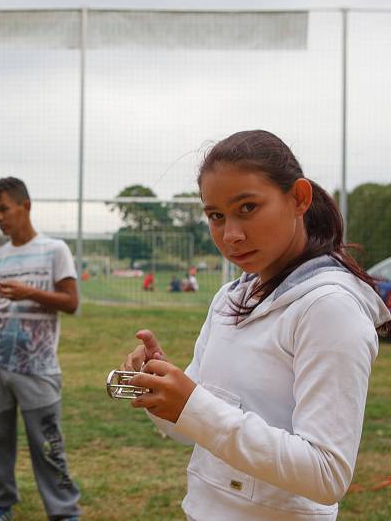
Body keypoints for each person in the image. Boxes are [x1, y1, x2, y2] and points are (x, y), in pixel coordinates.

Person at [120, 130, 391, 520]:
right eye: (216, 216)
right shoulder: (232, 298)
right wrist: (162, 391)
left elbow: (327, 474)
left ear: (298, 198)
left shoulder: (331, 309)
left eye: (247, 207)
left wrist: (193, 405)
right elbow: (190, 428)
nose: (231, 235)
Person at [0, 177, 81, 521]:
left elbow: (71, 303)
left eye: (4, 209)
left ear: (26, 205)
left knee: (48, 443)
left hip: (37, 366)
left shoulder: (55, 250)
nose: (0, 218)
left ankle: (64, 511)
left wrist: (29, 293)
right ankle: (1, 504)